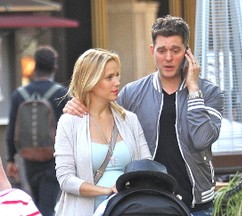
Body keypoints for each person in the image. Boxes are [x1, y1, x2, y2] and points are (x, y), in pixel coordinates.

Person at [64, 15, 224, 216]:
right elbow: (100, 109)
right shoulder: (132, 93)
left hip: (197, 203)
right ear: (152, 51)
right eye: (161, 50)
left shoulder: (209, 93)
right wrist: (77, 103)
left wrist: (193, 90)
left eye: (175, 50)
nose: (168, 58)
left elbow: (202, 139)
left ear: (187, 53)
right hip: (146, 203)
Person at [54, 48, 152, 216]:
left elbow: (147, 165)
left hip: (128, 210)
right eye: (109, 77)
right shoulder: (69, 123)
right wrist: (106, 191)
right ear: (90, 81)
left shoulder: (129, 120)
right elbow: (65, 179)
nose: (117, 82)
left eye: (117, 75)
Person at [5, 45, 68, 216]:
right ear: (55, 67)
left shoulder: (19, 94)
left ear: (35, 66)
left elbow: (11, 131)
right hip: (53, 159)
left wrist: (11, 159)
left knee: (37, 204)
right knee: (47, 207)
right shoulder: (61, 93)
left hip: (28, 159)